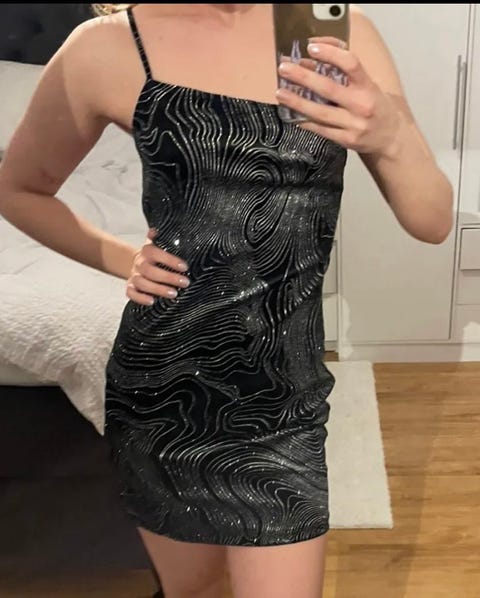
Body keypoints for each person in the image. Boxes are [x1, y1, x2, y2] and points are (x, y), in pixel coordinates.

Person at [0, 4, 453, 598]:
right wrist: (122, 258)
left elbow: (432, 222)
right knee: (195, 592)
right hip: (164, 394)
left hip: (284, 401)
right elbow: (19, 188)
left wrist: (390, 134)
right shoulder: (106, 46)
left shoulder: (328, 34)